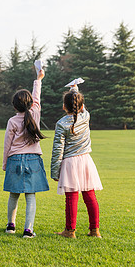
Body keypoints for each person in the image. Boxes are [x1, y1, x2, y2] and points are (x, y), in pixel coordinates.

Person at [51, 86, 103, 238]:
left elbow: (57, 150)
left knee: (71, 197)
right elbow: (81, 107)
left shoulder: (61, 124)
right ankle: (95, 230)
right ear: (81, 106)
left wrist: (55, 172)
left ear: (63, 106)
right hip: (86, 160)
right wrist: (76, 90)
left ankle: (70, 231)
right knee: (90, 196)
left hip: (70, 163)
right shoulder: (85, 116)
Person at [2, 69, 49, 238]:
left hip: (14, 159)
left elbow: (7, 144)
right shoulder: (35, 114)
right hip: (33, 160)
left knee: (13, 194)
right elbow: (37, 96)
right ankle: (28, 230)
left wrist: (4, 164)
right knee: (30, 196)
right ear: (30, 104)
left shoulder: (12, 121)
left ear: (15, 106)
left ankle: (10, 226)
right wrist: (38, 79)